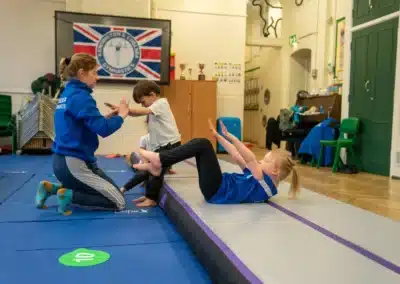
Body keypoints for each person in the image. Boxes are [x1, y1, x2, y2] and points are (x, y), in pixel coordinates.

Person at [35, 53, 129, 216]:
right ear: (81, 73)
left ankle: (52, 188)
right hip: (74, 165)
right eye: (94, 72)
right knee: (118, 201)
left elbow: (81, 122)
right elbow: (103, 129)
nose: (97, 78)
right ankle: (68, 195)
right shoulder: (81, 97)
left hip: (63, 162)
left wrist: (105, 117)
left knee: (110, 191)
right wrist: (122, 115)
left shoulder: (68, 94)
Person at [133, 119, 300, 205]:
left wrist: (232, 137)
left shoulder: (263, 180)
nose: (260, 161)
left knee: (202, 144)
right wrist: (219, 136)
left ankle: (160, 160)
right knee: (203, 145)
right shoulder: (259, 183)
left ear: (275, 171)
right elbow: (236, 155)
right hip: (216, 189)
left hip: (217, 189)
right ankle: (158, 163)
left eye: (265, 160)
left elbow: (248, 156)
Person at [106, 80, 181, 207]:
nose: (143, 105)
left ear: (152, 95)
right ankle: (146, 195)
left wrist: (125, 110)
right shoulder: (154, 107)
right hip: (163, 145)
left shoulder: (161, 103)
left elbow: (141, 112)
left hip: (170, 144)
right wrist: (123, 111)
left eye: (143, 101)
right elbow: (137, 114)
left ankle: (151, 198)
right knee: (150, 170)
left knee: (155, 172)